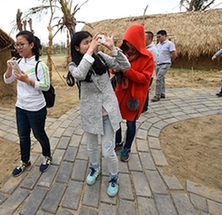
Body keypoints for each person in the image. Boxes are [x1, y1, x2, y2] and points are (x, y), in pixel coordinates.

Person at [67, 30, 130, 197]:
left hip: (108, 112)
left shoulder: (101, 56)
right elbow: (80, 74)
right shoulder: (73, 65)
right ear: (77, 47)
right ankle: (95, 168)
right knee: (91, 146)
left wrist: (113, 48)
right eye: (86, 43)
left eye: (91, 41)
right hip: (90, 113)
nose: (91, 45)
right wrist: (89, 52)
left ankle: (114, 177)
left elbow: (125, 66)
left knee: (108, 150)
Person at [3, 31, 52, 177]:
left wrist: (28, 81)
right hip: (21, 107)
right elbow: (7, 80)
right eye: (16, 44)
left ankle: (47, 156)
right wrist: (9, 68)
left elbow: (46, 86)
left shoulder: (39, 65)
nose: (18, 47)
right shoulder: (17, 62)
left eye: (21, 44)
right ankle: (25, 161)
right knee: (23, 136)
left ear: (31, 45)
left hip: (36, 108)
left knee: (39, 134)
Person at [113, 25, 154, 162]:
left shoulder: (148, 57)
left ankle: (127, 147)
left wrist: (127, 71)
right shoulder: (122, 52)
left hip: (134, 95)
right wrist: (116, 67)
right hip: (120, 92)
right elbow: (113, 70)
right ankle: (118, 142)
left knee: (131, 123)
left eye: (131, 41)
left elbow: (145, 79)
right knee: (116, 120)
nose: (128, 45)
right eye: (126, 41)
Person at [151, 30, 177, 102]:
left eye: (159, 37)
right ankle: (162, 93)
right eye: (157, 37)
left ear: (164, 36)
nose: (158, 38)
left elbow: (174, 54)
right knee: (161, 78)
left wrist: (170, 61)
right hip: (158, 63)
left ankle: (157, 95)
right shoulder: (158, 45)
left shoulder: (169, 44)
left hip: (165, 63)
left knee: (159, 78)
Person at [142, 31, 158, 113]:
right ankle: (143, 106)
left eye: (144, 38)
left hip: (148, 74)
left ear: (149, 39)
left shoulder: (153, 50)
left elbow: (153, 64)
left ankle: (144, 107)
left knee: (145, 90)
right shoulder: (144, 48)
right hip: (143, 73)